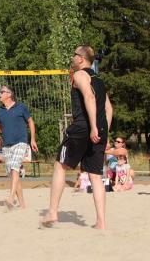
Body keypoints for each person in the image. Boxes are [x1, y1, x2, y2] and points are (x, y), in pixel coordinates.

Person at [41, 45, 113, 230]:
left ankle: (53, 212)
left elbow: (89, 97)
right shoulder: (99, 80)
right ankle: (102, 222)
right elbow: (108, 109)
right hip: (100, 130)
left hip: (82, 128)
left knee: (60, 165)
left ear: (81, 58)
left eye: (74, 55)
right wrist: (103, 131)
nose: (72, 58)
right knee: (96, 176)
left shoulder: (81, 75)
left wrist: (93, 127)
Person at [0, 85, 37, 209]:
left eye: (1, 92)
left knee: (15, 168)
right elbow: (0, 128)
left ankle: (11, 197)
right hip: (6, 145)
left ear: (9, 94)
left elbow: (30, 121)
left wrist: (33, 139)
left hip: (20, 142)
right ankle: (23, 204)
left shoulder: (21, 107)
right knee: (13, 175)